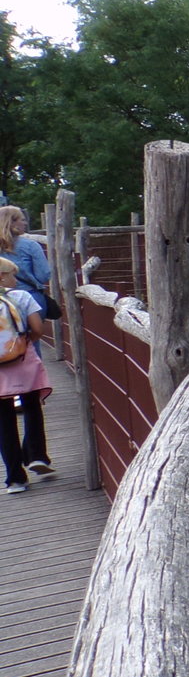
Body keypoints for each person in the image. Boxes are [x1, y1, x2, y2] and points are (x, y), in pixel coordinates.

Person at [0, 256, 52, 493]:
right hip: (23, 361)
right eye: (12, 275)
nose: (15, 279)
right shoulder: (21, 297)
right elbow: (38, 328)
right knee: (32, 406)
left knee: (4, 421)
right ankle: (36, 455)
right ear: (2, 277)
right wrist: (22, 344)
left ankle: (15, 479)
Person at [0, 206, 52, 333]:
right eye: (22, 220)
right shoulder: (30, 245)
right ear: (11, 222)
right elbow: (43, 275)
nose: (25, 223)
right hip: (29, 297)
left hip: (2, 299)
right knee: (30, 345)